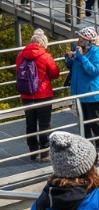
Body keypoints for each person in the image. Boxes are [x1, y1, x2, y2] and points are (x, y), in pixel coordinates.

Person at [16, 29, 60, 162]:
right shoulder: (46, 56)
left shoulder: (20, 55)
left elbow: (18, 71)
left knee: (30, 124)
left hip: (26, 94)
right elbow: (55, 73)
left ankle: (33, 152)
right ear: (43, 43)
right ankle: (45, 153)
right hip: (43, 94)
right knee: (44, 124)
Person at [65, 27, 99, 151]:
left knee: (96, 121)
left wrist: (81, 57)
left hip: (93, 93)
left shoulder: (97, 53)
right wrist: (69, 59)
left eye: (82, 39)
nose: (79, 41)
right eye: (79, 38)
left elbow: (96, 71)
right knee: (84, 122)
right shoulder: (81, 52)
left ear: (90, 41)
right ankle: (87, 145)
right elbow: (75, 68)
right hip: (81, 92)